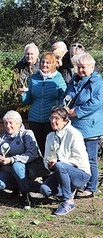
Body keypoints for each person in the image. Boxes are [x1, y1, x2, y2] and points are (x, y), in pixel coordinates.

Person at [63, 52, 103, 198]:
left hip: (91, 127)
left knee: (90, 158)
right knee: (77, 157)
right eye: (78, 67)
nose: (80, 70)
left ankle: (91, 187)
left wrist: (76, 112)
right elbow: (67, 96)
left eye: (83, 67)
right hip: (75, 126)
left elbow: (96, 103)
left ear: (92, 67)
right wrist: (64, 107)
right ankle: (80, 184)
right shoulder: (74, 80)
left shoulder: (97, 82)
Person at [40, 106, 91, 215]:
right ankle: (68, 190)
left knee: (60, 166)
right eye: (51, 118)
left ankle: (68, 201)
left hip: (80, 173)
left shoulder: (74, 134)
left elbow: (79, 159)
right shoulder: (49, 136)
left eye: (56, 119)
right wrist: (49, 165)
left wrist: (59, 162)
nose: (53, 121)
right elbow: (46, 158)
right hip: (60, 171)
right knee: (44, 189)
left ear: (65, 120)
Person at [0, 110, 43, 209]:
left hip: (24, 168)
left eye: (11, 123)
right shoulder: (1, 138)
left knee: (17, 166)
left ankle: (25, 195)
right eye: (6, 123)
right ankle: (16, 187)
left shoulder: (27, 134)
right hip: (7, 170)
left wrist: (11, 160)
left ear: (19, 124)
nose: (8, 126)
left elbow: (31, 154)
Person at [18, 52, 67, 155]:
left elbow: (64, 98)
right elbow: (29, 100)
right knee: (38, 147)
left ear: (53, 64)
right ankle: (40, 169)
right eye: (43, 62)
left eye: (48, 63)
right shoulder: (34, 78)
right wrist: (23, 95)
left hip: (50, 118)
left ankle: (51, 168)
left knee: (51, 147)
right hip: (35, 118)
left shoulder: (58, 78)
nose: (44, 65)